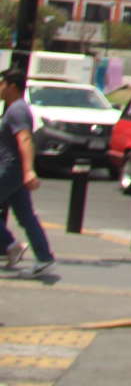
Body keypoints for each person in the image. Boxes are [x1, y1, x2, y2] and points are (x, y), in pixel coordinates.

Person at [0, 69, 54, 274]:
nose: (0, 88)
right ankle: (43, 257)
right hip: (14, 171)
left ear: (12, 86)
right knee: (25, 216)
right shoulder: (15, 108)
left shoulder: (17, 110)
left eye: (2, 83)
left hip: (10, 169)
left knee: (26, 216)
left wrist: (28, 170)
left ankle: (10, 245)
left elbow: (25, 139)